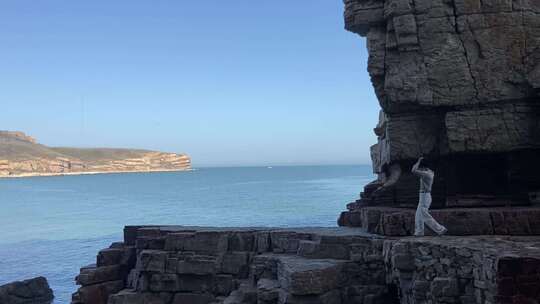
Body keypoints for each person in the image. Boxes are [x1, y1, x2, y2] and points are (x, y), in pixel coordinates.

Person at [412, 156, 447, 236]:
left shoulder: (426, 174)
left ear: (423, 167)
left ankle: (440, 229)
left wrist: (418, 161)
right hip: (424, 196)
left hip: (425, 196)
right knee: (418, 215)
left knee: (424, 215)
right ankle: (419, 232)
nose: (419, 169)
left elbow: (413, 170)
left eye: (420, 167)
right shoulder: (430, 172)